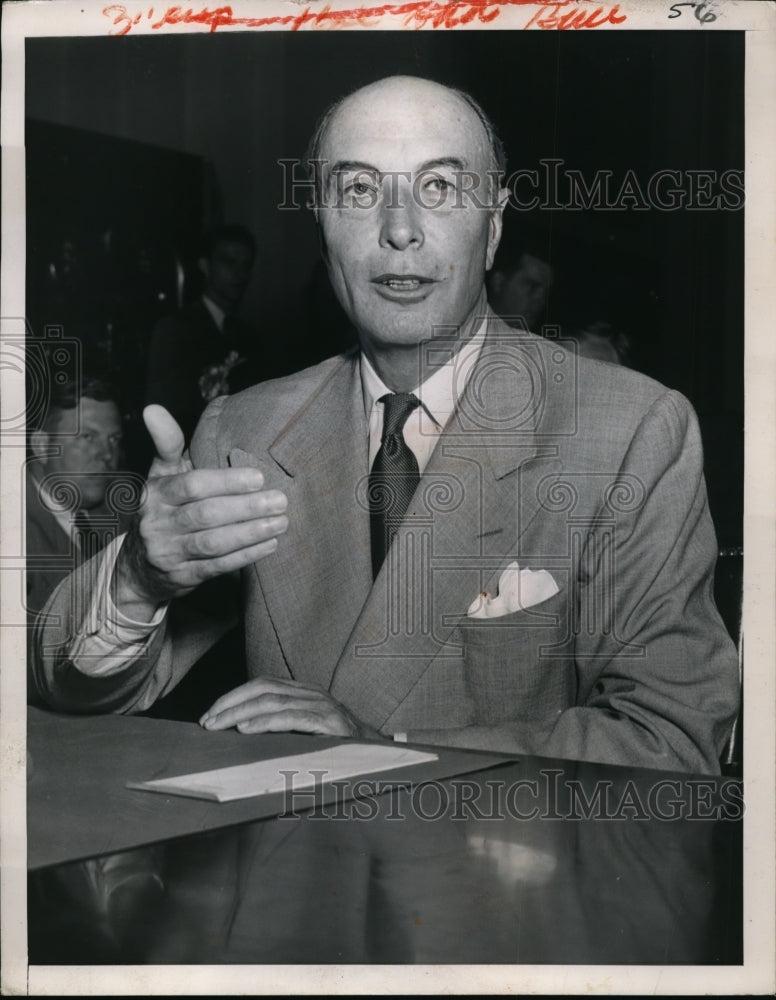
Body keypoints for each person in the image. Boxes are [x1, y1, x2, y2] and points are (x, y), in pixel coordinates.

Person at [32, 76, 738, 774]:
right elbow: (72, 689)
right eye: (360, 190)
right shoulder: (243, 431)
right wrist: (139, 578)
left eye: (439, 187)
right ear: (322, 228)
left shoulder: (630, 432)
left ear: (493, 226)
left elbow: (671, 740)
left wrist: (385, 751)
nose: (400, 230)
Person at [145, 224, 258, 440]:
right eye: (229, 262)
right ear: (205, 266)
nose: (240, 273)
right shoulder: (174, 330)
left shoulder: (249, 336)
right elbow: (163, 411)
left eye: (246, 264)